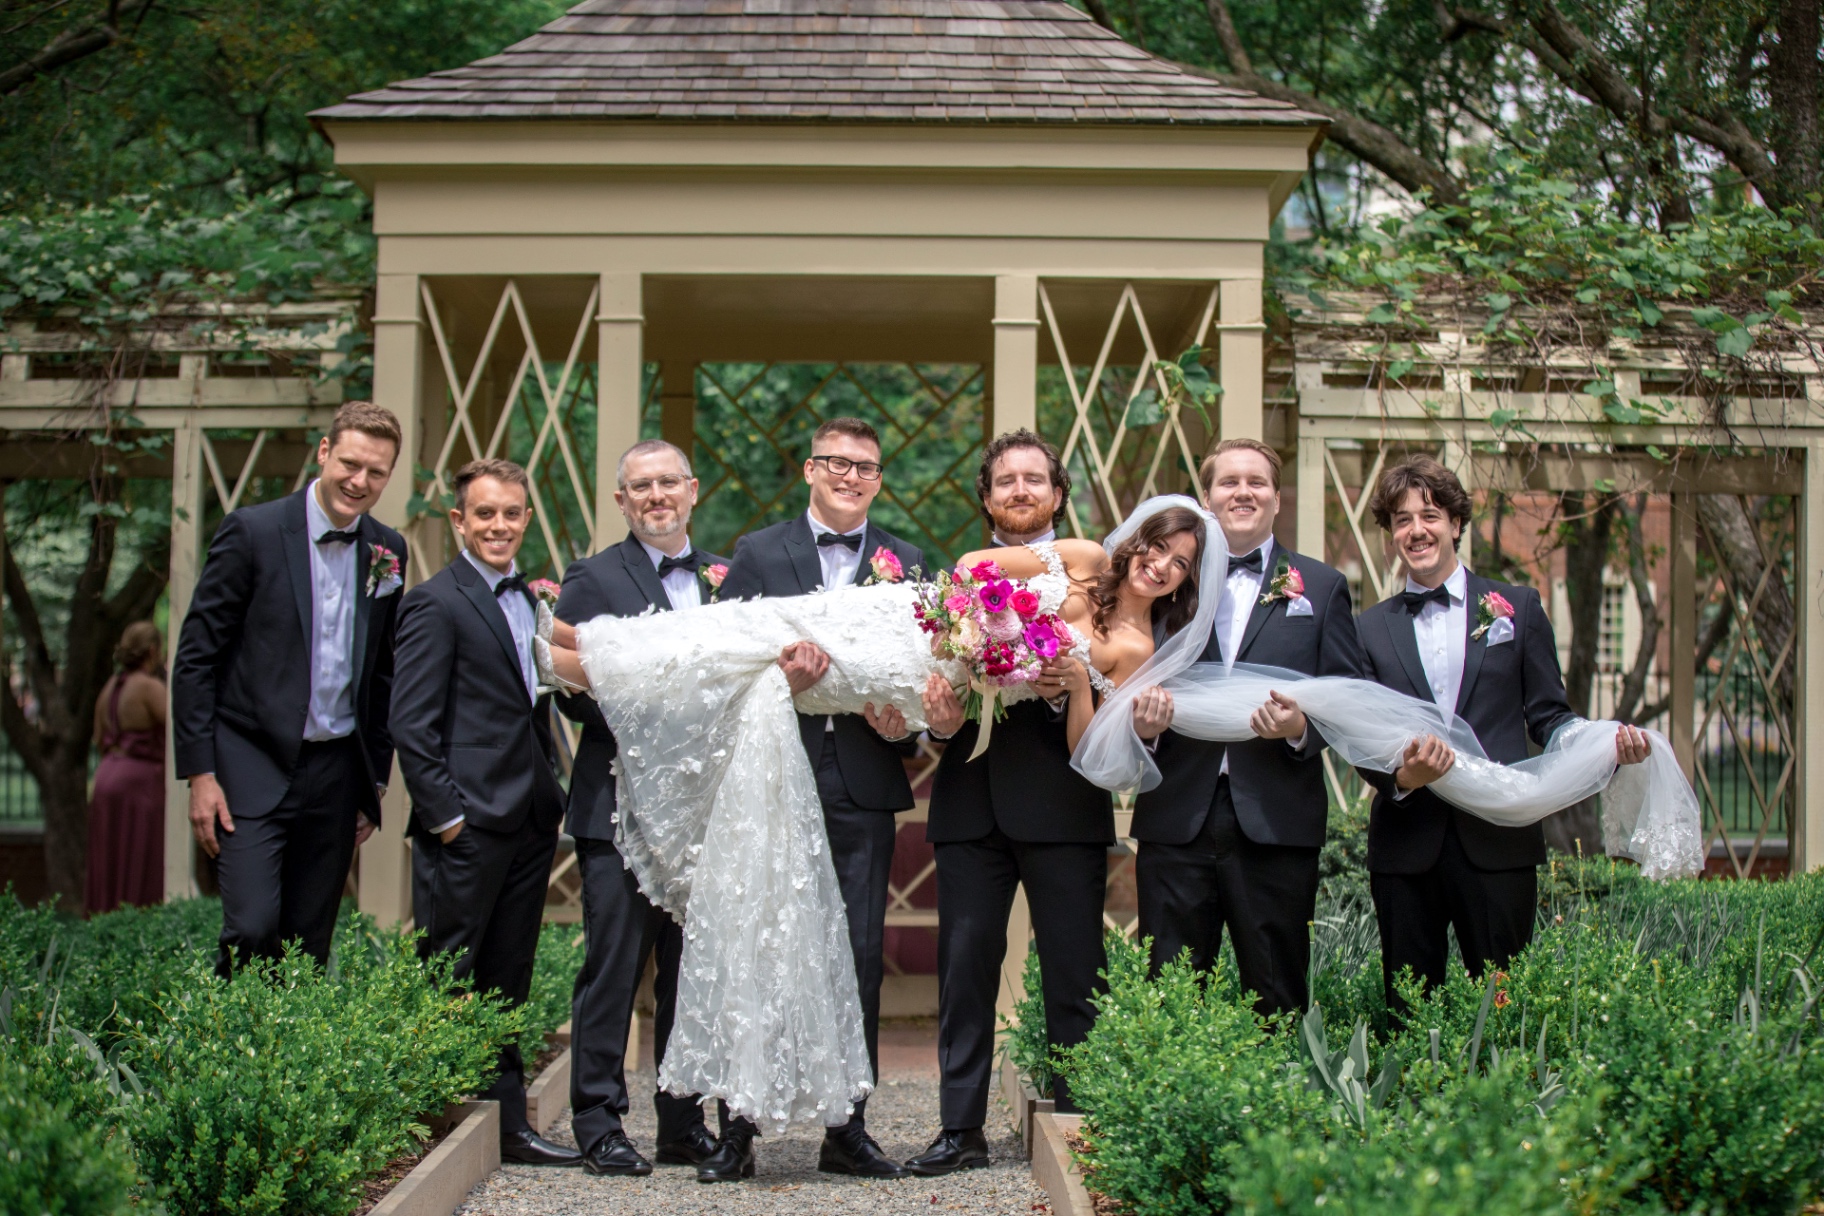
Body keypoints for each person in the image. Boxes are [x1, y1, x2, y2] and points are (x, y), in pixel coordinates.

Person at [905, 431, 1200, 1177]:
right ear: (986, 497)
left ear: (1059, 494)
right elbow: (941, 692)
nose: (1019, 490)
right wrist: (945, 710)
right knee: (965, 964)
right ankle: (958, 1128)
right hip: (971, 800)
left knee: (1077, 966)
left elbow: (1098, 723)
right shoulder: (962, 592)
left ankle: (1075, 1117)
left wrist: (1061, 677)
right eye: (1005, 480)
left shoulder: (1088, 562)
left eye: (1034, 478)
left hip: (1064, 809)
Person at [705, 417, 926, 1182]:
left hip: (862, 781)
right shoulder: (760, 553)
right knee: (758, 944)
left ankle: (847, 1129)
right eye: (836, 462)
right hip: (773, 775)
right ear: (809, 470)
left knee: (859, 956)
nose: (850, 475)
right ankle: (737, 1131)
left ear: (877, 478)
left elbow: (917, 685)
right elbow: (721, 668)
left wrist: (905, 725)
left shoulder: (910, 562)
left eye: (864, 466)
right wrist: (782, 684)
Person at [1353, 455, 1650, 1014]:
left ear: (1457, 523)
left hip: (1498, 843)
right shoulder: (1368, 628)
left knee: (1506, 1007)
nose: (1416, 530)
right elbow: (1360, 736)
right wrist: (1401, 776)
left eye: (1430, 514)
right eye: (1401, 519)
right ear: (1391, 535)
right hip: (1405, 842)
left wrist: (1602, 745)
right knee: (1409, 1008)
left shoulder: (1520, 607)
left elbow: (1549, 716)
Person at [1128, 438, 1364, 1016]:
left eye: (1256, 482)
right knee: (1171, 997)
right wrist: (1146, 729)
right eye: (1229, 482)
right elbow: (1127, 675)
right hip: (1177, 814)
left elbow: (1346, 699)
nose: (1243, 492)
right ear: (1207, 499)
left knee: (1278, 994)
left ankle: (1280, 1104)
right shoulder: (1167, 583)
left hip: (1277, 819)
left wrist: (1299, 728)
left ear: (1277, 499)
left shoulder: (1323, 586)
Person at [173, 400, 406, 977]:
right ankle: (235, 1054)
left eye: (376, 472)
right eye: (350, 464)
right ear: (324, 453)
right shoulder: (252, 532)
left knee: (307, 945)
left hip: (335, 776)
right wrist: (201, 775)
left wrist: (373, 779)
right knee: (251, 926)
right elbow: (197, 658)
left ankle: (286, 1063)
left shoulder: (388, 550)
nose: (360, 481)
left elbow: (381, 673)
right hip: (248, 764)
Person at [390, 458, 578, 1168]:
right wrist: (446, 819)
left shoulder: (531, 600)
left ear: (526, 518)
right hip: (466, 825)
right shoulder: (434, 602)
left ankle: (505, 1127)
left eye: (511, 514)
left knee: (508, 975)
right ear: (458, 521)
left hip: (529, 817)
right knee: (449, 973)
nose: (499, 525)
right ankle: (430, 1124)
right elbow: (412, 722)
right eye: (485, 514)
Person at [553, 439, 725, 1177]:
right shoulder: (591, 579)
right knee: (613, 968)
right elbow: (574, 688)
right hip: (618, 806)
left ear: (692, 491)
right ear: (621, 502)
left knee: (691, 970)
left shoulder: (728, 579)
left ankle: (681, 1123)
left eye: (668, 484)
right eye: (639, 487)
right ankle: (597, 1121)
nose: (656, 496)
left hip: (708, 813)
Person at [86, 620, 168, 912]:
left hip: (106, 776)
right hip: (139, 783)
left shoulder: (110, 687)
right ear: (152, 651)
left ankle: (104, 921)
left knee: (108, 859)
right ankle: (137, 924)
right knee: (139, 859)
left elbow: (98, 738)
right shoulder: (149, 687)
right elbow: (178, 730)